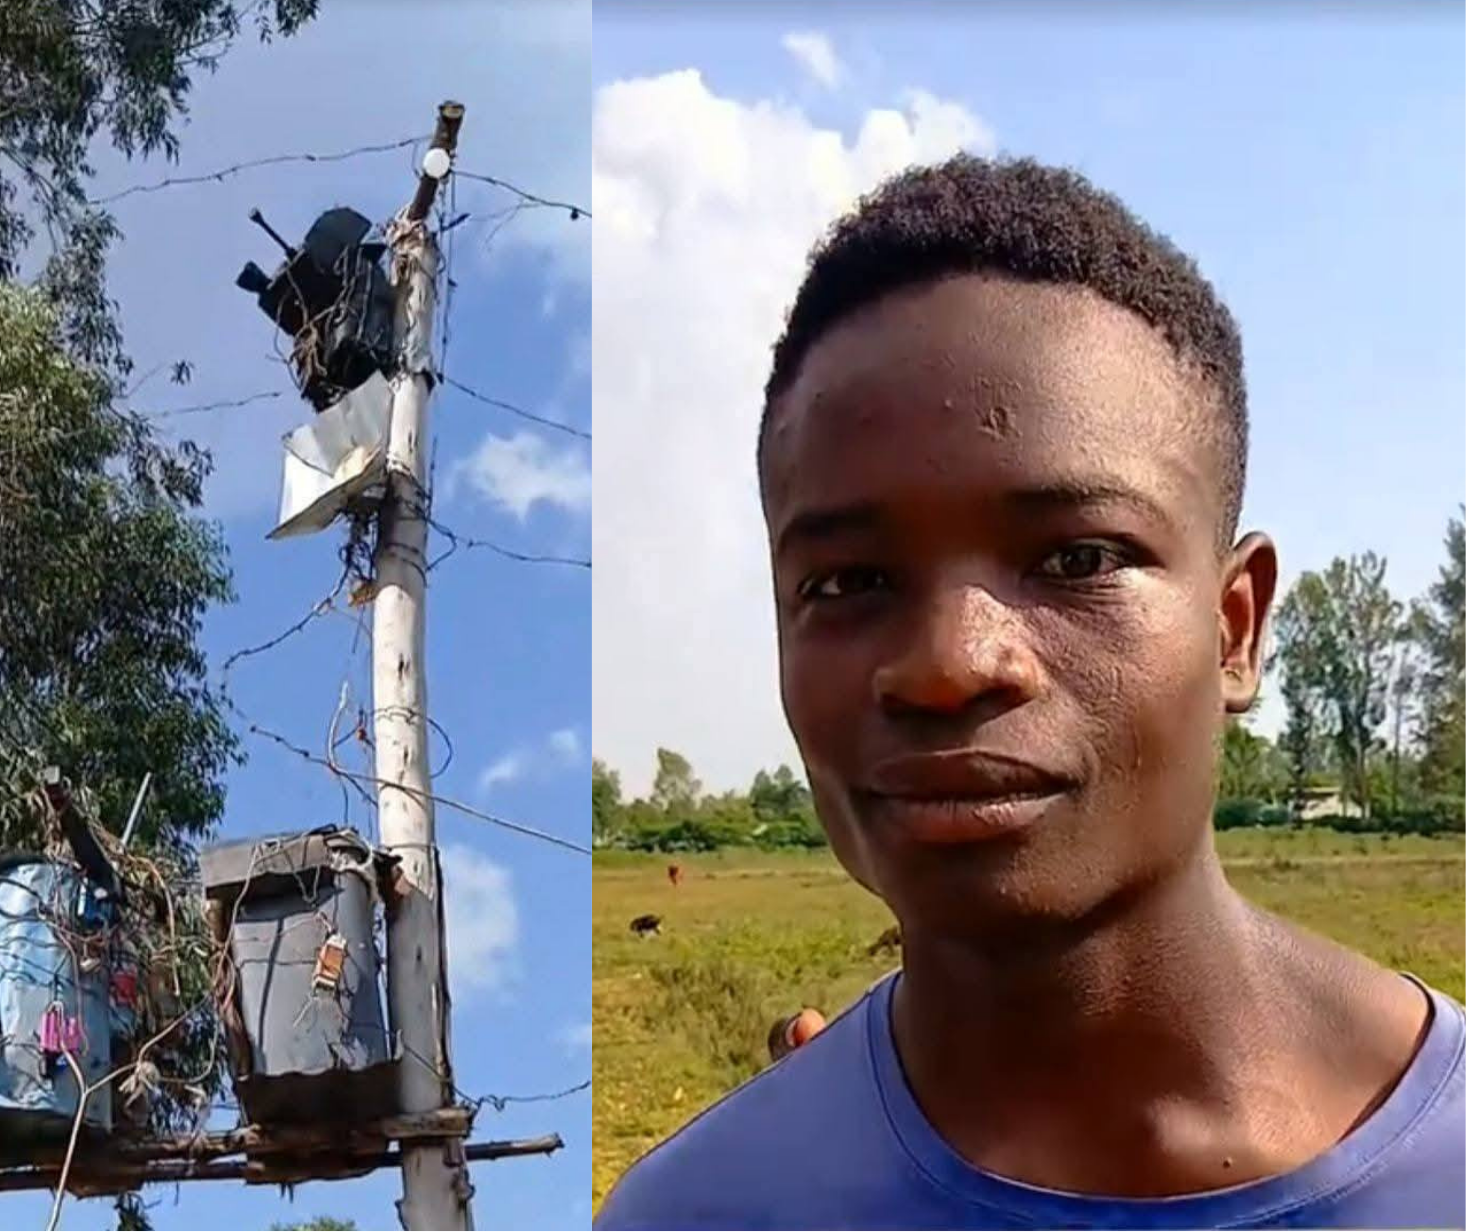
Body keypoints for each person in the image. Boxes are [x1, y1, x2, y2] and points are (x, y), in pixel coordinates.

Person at [594, 156, 1464, 1231]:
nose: (947, 662)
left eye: (1075, 558)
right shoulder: (705, 1212)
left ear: (1232, 626)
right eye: (846, 580)